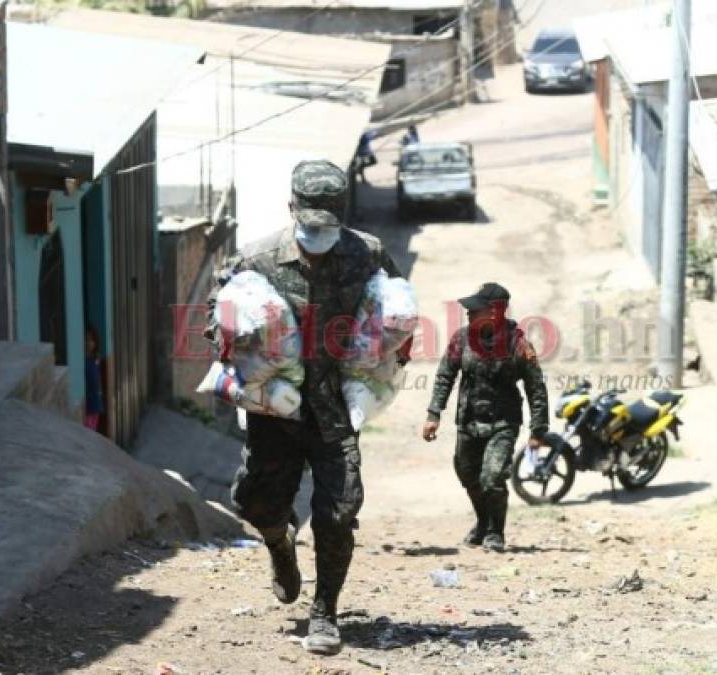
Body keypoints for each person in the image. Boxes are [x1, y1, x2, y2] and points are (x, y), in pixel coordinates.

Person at [205, 160, 407, 655]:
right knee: (256, 501)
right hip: (276, 410)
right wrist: (236, 341)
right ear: (290, 207)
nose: (319, 231)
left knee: (338, 511)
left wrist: (394, 347)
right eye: (310, 219)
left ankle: (325, 614)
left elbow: (393, 312)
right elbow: (216, 319)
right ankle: (279, 542)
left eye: (329, 221)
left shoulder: (369, 255)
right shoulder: (255, 260)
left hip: (337, 406)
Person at [422, 283, 549, 552]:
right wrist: (434, 413)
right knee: (467, 474)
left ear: (494, 312)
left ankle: (495, 532)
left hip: (503, 422)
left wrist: (538, 431)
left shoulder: (518, 344)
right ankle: (482, 522)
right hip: (468, 420)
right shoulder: (462, 339)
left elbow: (536, 387)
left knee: (492, 477)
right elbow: (445, 375)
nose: (468, 314)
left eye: (475, 309)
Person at [83, 325, 104, 433]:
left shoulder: (96, 359)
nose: (88, 343)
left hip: (95, 403)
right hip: (87, 405)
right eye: (86, 340)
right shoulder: (82, 361)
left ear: (95, 343)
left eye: (91, 340)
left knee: (92, 431)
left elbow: (98, 380)